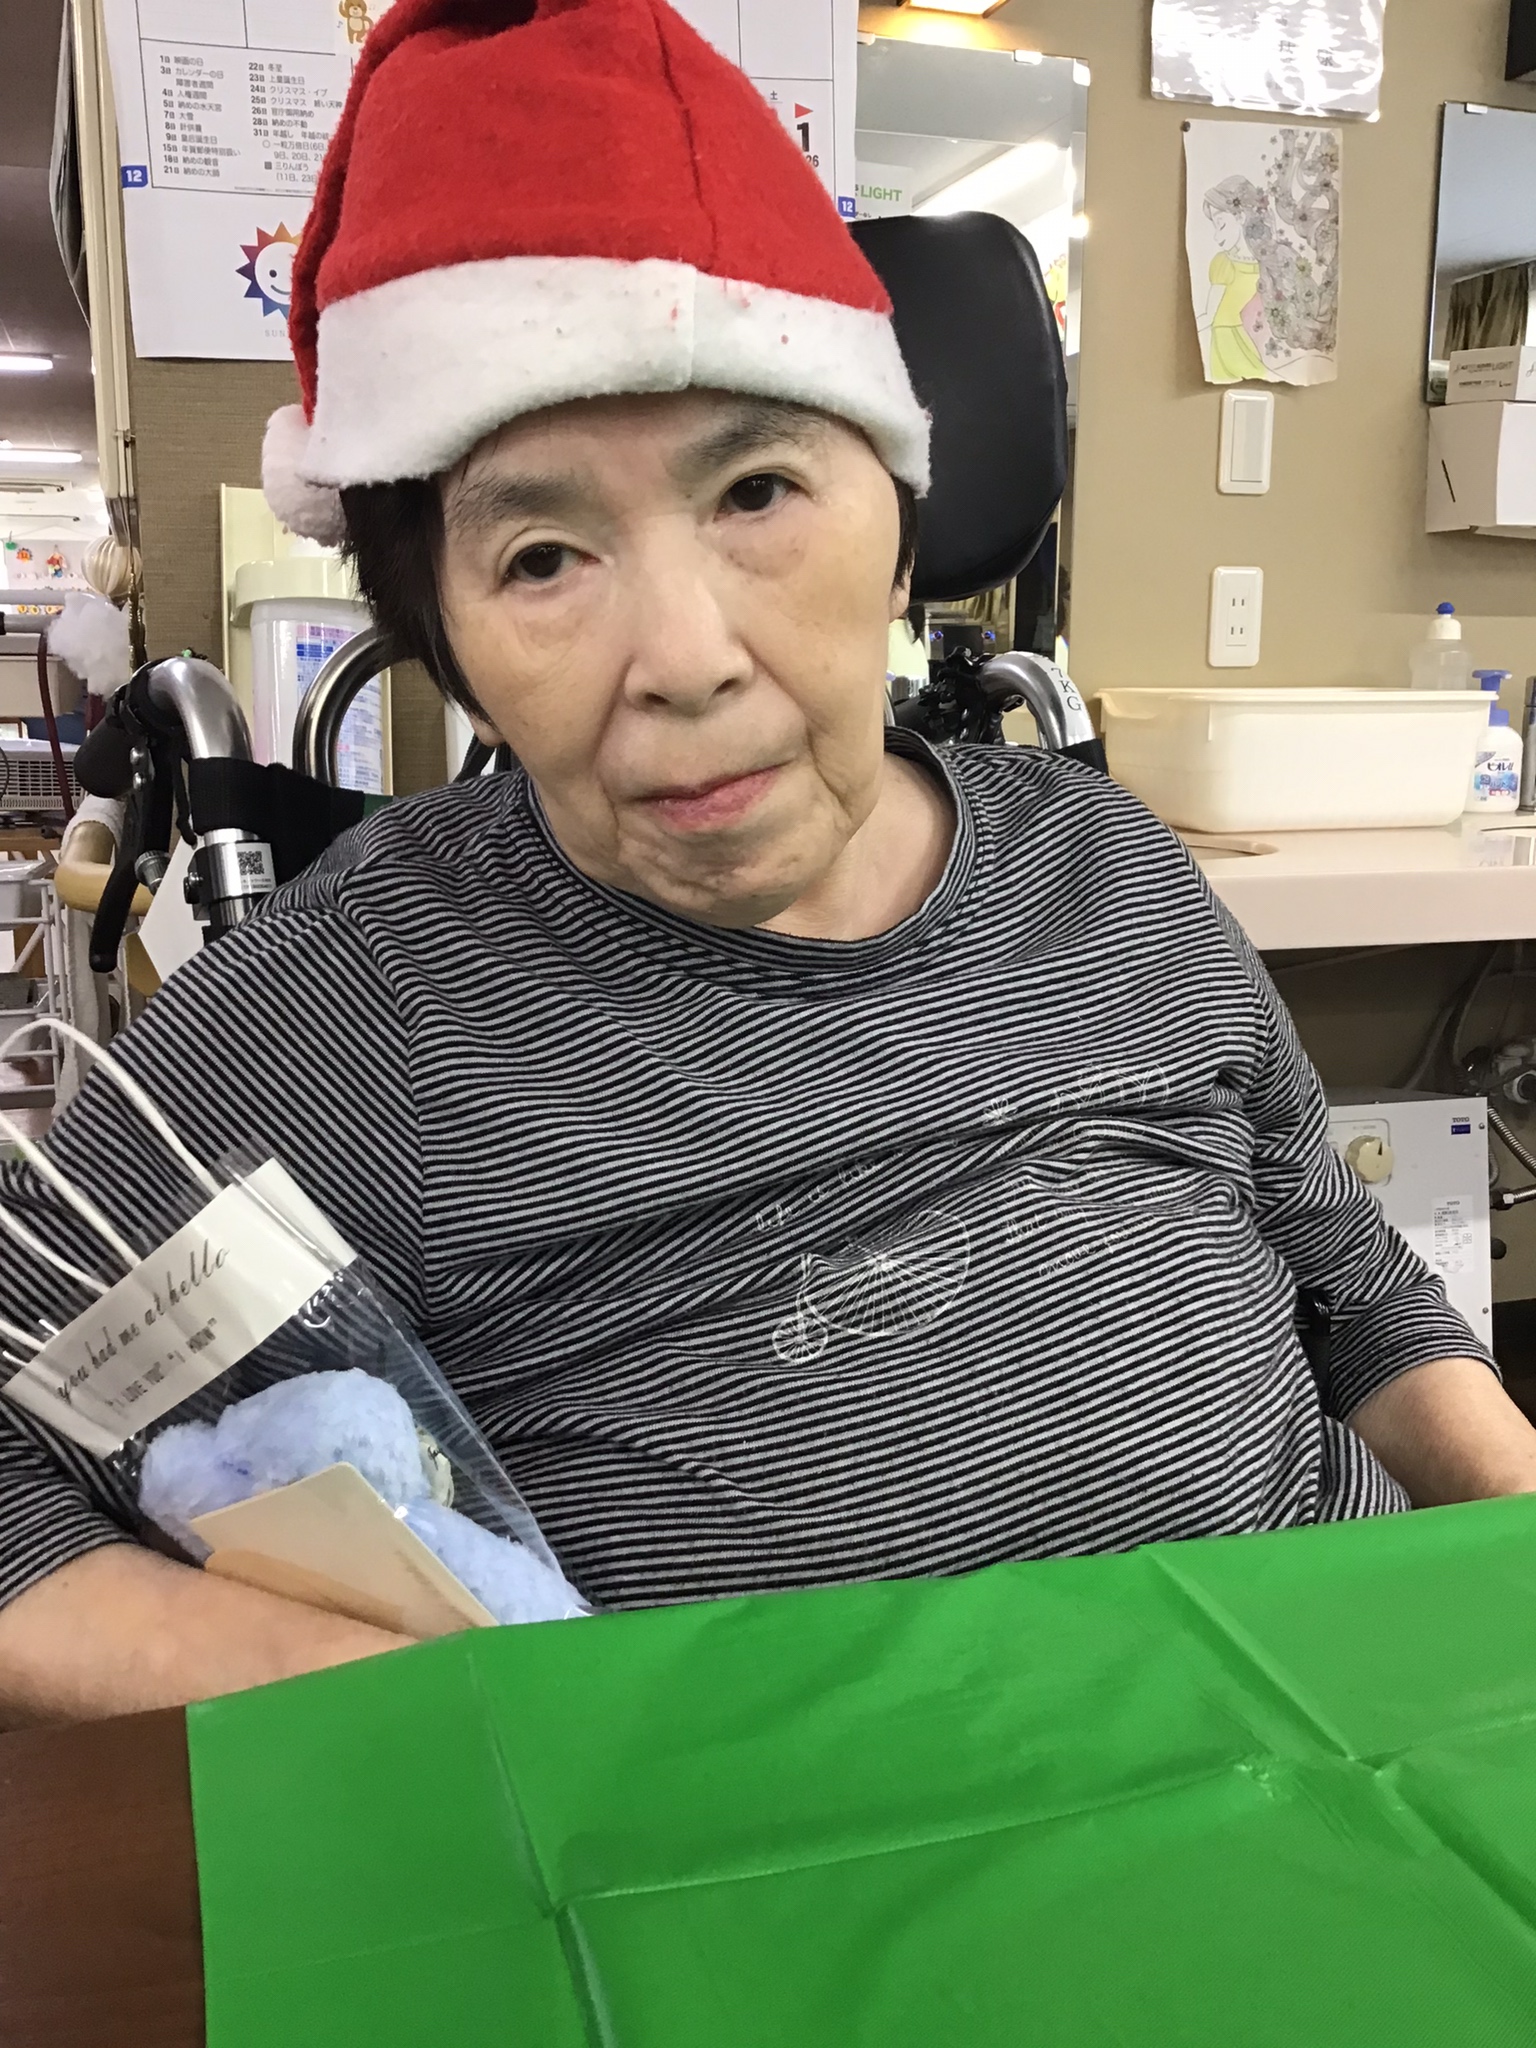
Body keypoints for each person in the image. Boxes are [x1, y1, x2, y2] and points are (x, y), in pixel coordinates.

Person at [2, 0, 1534, 1726]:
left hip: (1343, 1721)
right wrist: (429, 1708)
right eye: (543, 556)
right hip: (843, 1843)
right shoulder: (366, 999)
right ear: (447, 636)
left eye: (757, 495)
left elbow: (1344, 1271)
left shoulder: (1105, 860)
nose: (688, 657)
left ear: (900, 530)